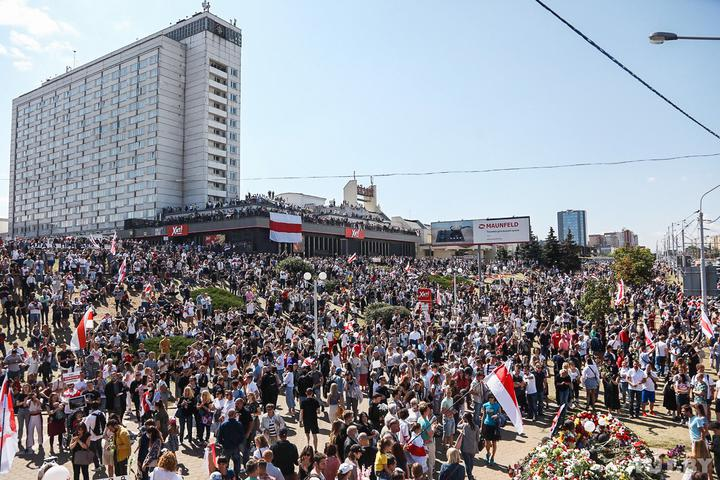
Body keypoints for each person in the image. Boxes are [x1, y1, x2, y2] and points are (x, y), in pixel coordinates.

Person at [217, 409, 245, 474]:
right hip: (235, 447)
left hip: (226, 447)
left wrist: (223, 444)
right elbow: (242, 436)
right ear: (234, 415)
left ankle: (225, 475)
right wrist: (238, 443)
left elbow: (219, 437)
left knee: (225, 463)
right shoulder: (239, 424)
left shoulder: (223, 425)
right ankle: (236, 475)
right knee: (237, 462)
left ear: (228, 415)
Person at [457, 412, 480, 480]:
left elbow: (457, 425)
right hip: (473, 447)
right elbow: (477, 438)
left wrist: (461, 420)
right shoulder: (476, 427)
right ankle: (470, 475)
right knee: (471, 462)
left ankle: (470, 476)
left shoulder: (464, 425)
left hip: (465, 447)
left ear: (466, 418)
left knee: (467, 463)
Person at [480, 394, 501, 466]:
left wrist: (497, 415)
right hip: (487, 425)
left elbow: (500, 414)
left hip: (494, 426)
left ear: (494, 398)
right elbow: (483, 416)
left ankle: (492, 457)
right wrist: (481, 426)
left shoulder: (497, 405)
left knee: (494, 443)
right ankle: (488, 453)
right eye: (489, 398)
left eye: (492, 398)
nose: (490, 399)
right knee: (487, 442)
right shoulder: (485, 405)